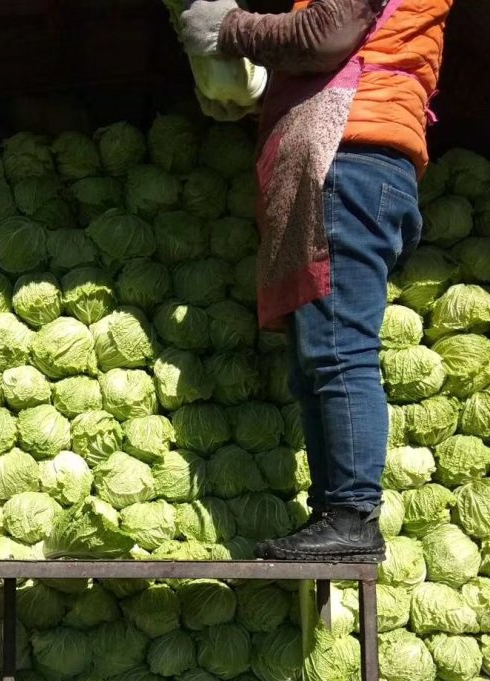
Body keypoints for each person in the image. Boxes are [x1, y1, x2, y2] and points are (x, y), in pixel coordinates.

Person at [181, 0, 453, 561]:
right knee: (316, 358)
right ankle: (336, 513)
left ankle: (353, 517)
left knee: (337, 350)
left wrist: (229, 30)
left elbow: (326, 33)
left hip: (349, 160)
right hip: (360, 163)